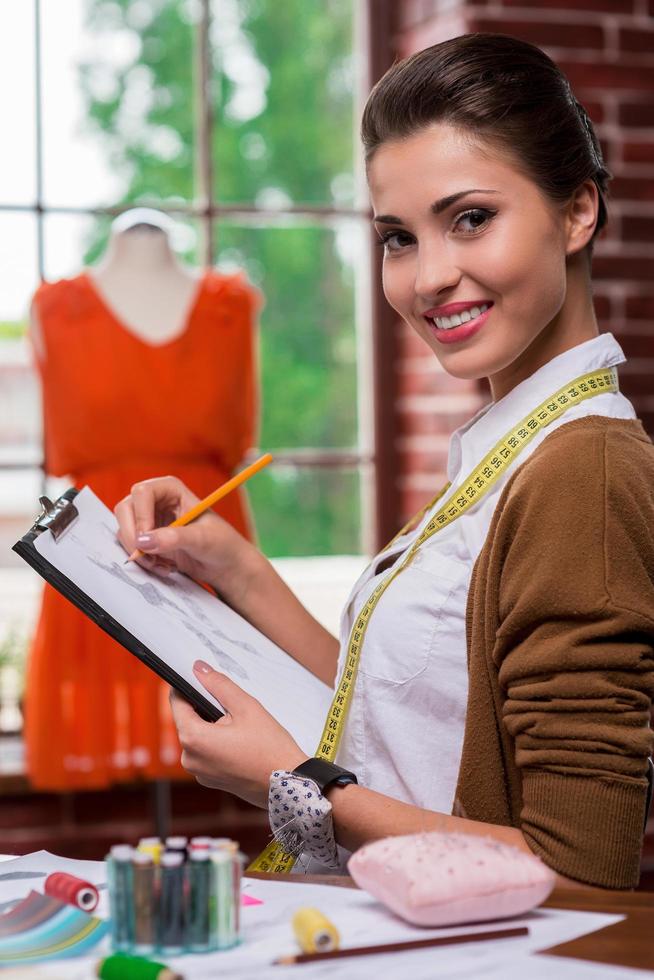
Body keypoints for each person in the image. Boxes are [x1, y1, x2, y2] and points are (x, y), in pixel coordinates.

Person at [114, 34, 654, 888]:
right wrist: (236, 567)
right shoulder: (514, 448)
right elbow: (398, 714)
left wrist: (294, 787)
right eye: (398, 238)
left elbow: (579, 868)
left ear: (577, 211)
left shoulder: (581, 470)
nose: (428, 276)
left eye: (471, 219)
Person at [25, 208, 259, 790]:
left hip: (208, 538)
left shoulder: (231, 308)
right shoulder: (54, 310)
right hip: (99, 541)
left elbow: (238, 438)